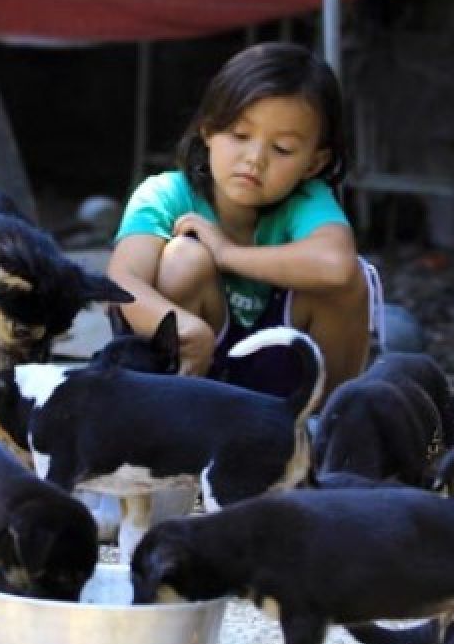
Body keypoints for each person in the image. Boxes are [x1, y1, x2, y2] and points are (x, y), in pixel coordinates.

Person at [107, 42, 371, 401]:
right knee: (185, 257)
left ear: (313, 163)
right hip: (192, 369)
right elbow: (122, 281)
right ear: (208, 130)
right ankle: (170, 421)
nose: (254, 159)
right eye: (239, 136)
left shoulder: (306, 201)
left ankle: (325, 426)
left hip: (281, 384)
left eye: (282, 149)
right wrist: (185, 327)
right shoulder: (165, 194)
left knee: (346, 283)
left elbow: (337, 266)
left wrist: (226, 253)